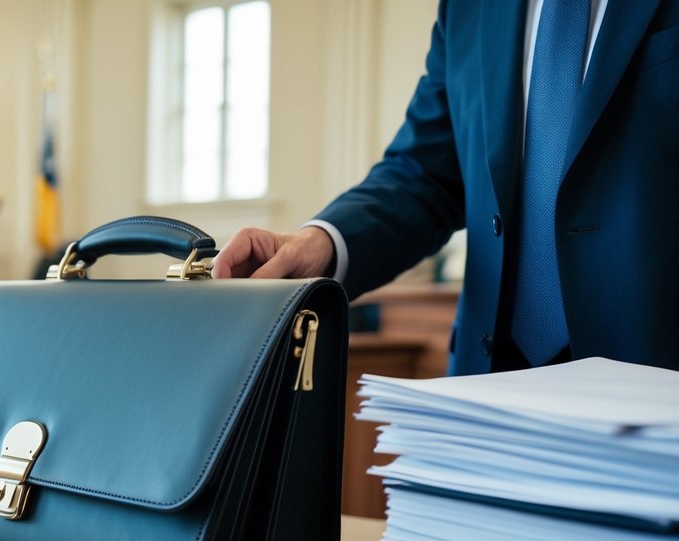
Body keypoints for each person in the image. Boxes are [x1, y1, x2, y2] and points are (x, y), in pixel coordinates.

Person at [213, 0, 679, 374]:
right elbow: (423, 174)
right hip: (485, 386)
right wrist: (320, 242)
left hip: (653, 382)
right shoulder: (467, 7)